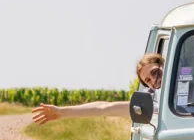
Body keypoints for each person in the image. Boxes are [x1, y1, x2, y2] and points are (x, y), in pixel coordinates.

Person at [31, 54, 164, 125]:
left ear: (164, 64)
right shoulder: (151, 102)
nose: (154, 81)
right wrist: (62, 112)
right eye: (148, 81)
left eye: (155, 73)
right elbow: (104, 108)